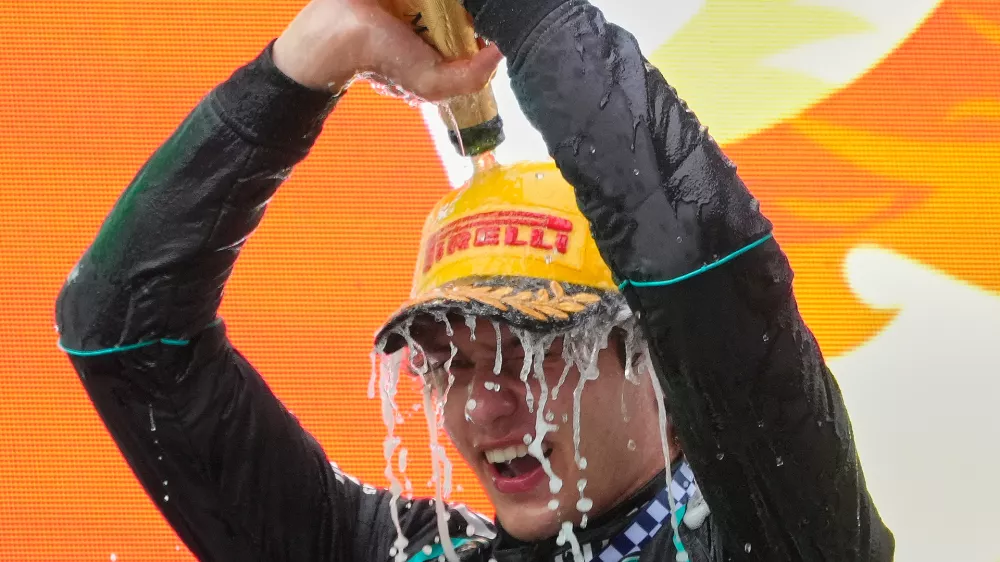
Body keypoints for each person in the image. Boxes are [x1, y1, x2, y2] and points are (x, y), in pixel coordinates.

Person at [54, 0, 894, 560]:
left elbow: (693, 255)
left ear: (661, 366)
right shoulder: (400, 553)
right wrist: (310, 59)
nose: (488, 407)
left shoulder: (781, 529)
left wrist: (522, 14)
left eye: (535, 355)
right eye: (449, 363)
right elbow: (122, 331)